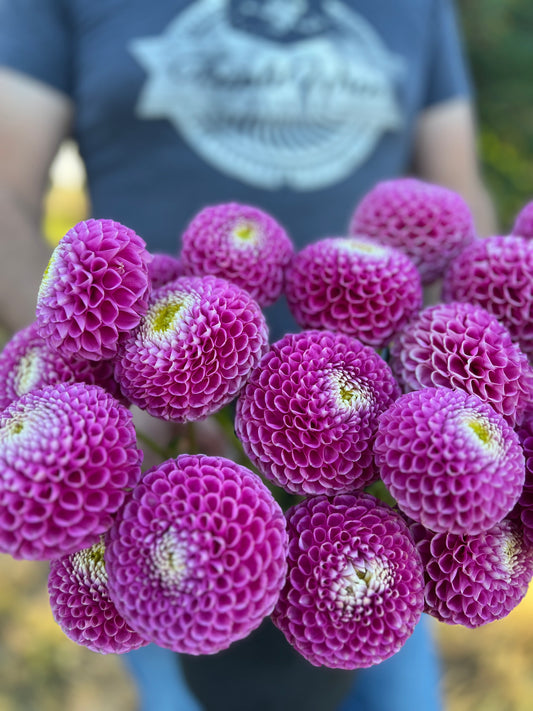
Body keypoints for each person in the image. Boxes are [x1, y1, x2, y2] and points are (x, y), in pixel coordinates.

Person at [0, 1, 496, 709]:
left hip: (378, 486)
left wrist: (461, 365)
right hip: (163, 499)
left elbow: (458, 189)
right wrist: (90, 385)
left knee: (394, 677)